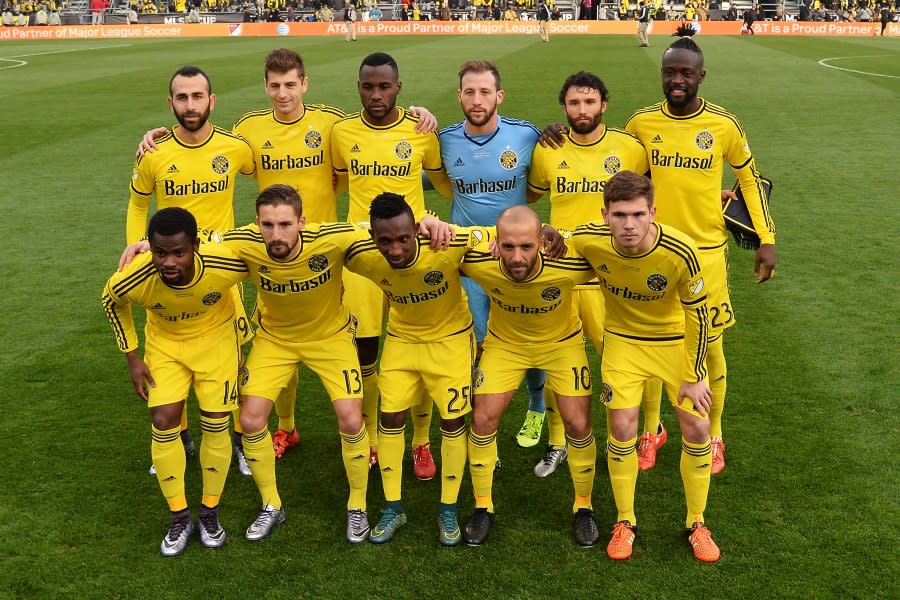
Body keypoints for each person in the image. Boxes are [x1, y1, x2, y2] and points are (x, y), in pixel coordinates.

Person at [137, 50, 438, 463]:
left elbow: (368, 134)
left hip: (326, 251)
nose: (283, 93)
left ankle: (368, 436)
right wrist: (161, 135)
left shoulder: (331, 122)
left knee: (363, 346)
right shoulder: (248, 130)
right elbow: (207, 146)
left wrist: (418, 113)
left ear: (305, 84)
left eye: (290, 84)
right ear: (265, 87)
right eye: (275, 85)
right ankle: (286, 427)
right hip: (272, 249)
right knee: (278, 341)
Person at [624, 37, 777, 474]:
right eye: (670, 72)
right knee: (653, 346)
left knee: (710, 348)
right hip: (653, 252)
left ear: (701, 77)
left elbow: (749, 179)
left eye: (686, 73)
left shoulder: (724, 125)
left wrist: (767, 237)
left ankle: (714, 435)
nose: (677, 80)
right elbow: (618, 170)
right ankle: (651, 431)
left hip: (706, 252)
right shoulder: (641, 124)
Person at [568, 170, 719, 563]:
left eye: (637, 214)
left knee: (698, 425)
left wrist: (692, 374)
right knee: (621, 426)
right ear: (605, 214)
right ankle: (625, 521)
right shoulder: (589, 239)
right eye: (619, 215)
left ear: (653, 211)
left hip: (675, 344)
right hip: (622, 343)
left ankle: (697, 522)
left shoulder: (680, 250)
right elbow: (548, 238)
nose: (629, 225)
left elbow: (699, 318)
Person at [527, 71, 667, 471]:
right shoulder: (548, 149)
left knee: (630, 356)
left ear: (603, 105)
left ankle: (649, 431)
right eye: (574, 103)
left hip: (612, 273)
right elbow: (535, 192)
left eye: (589, 102)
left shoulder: (628, 148)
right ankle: (558, 441)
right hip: (561, 272)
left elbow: (658, 191)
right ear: (564, 107)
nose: (582, 110)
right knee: (557, 359)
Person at [128, 65, 256, 475]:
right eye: (181, 98)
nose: (190, 105)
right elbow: (137, 203)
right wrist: (138, 246)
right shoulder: (156, 151)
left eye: (197, 96)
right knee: (170, 355)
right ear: (171, 103)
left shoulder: (236, 148)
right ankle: (178, 435)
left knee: (235, 362)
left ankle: (237, 439)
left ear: (211, 101)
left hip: (221, 275)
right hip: (170, 271)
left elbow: (271, 167)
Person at [102, 207, 249, 556]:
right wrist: (132, 356)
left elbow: (264, 259)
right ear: (150, 248)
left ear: (195, 246)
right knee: (163, 419)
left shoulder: (223, 263)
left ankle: (210, 512)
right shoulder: (135, 277)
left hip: (216, 342)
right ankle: (179, 517)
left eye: (179, 253)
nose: (169, 261)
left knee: (216, 423)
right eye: (160, 252)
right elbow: (111, 301)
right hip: (166, 345)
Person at [344, 193, 485, 546]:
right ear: (372, 238)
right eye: (385, 241)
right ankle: (393, 507)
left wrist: (440, 223)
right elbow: (323, 237)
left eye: (403, 238)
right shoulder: (363, 256)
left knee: (452, 421)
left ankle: (447, 509)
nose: (394, 250)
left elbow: (491, 235)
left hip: (450, 341)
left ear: (416, 231)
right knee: (389, 418)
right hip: (402, 342)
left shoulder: (446, 243)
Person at [331, 52, 444, 480]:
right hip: (362, 258)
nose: (375, 94)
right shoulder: (342, 132)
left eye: (384, 86)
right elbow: (338, 179)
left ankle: (420, 442)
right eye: (367, 86)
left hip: (413, 257)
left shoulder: (420, 131)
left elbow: (441, 179)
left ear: (399, 87)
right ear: (358, 87)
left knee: (419, 348)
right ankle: (376, 440)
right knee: (365, 352)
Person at [429, 60, 550, 457]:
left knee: (528, 338)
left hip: (518, 256)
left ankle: (536, 405)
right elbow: (430, 180)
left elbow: (540, 184)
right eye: (469, 92)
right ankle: (486, 431)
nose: (476, 100)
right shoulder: (444, 140)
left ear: (499, 96)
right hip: (468, 259)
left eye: (484, 92)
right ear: (459, 95)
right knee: (480, 343)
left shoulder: (526, 135)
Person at [460, 206, 600, 547]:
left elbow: (606, 243)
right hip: (505, 346)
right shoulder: (479, 260)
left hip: (561, 345)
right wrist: (431, 223)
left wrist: (560, 232)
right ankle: (483, 507)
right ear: (497, 243)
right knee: (482, 419)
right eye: (508, 247)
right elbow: (444, 237)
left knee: (578, 424)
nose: (517, 257)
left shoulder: (567, 263)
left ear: (541, 242)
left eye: (526, 246)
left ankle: (584, 507)